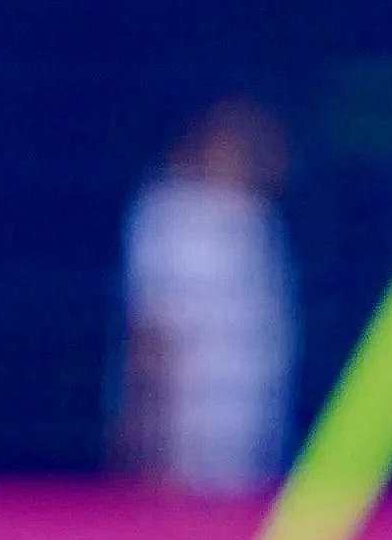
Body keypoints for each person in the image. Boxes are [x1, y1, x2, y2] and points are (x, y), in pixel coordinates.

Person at [112, 101, 295, 494]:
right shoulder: (173, 216)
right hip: (186, 447)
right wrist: (145, 437)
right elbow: (152, 335)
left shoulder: (255, 218)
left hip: (250, 442)